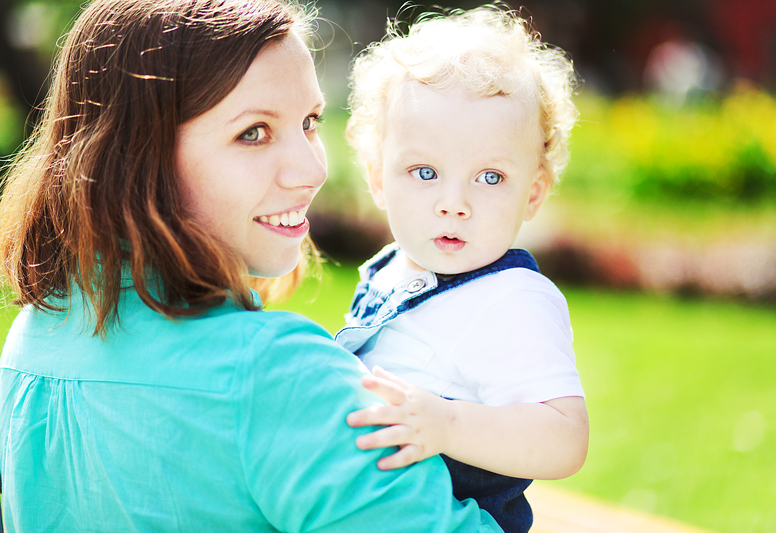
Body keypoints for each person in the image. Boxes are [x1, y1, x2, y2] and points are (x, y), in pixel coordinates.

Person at [0, 1, 504, 531]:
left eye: (310, 122)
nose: (313, 170)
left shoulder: (34, 338)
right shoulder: (278, 374)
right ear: (136, 159)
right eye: (253, 132)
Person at [336, 7, 590, 533]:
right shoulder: (389, 271)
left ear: (532, 194)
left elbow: (565, 440)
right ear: (378, 180)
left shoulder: (511, 299)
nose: (454, 204)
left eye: (490, 177)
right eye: (425, 172)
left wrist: (447, 424)